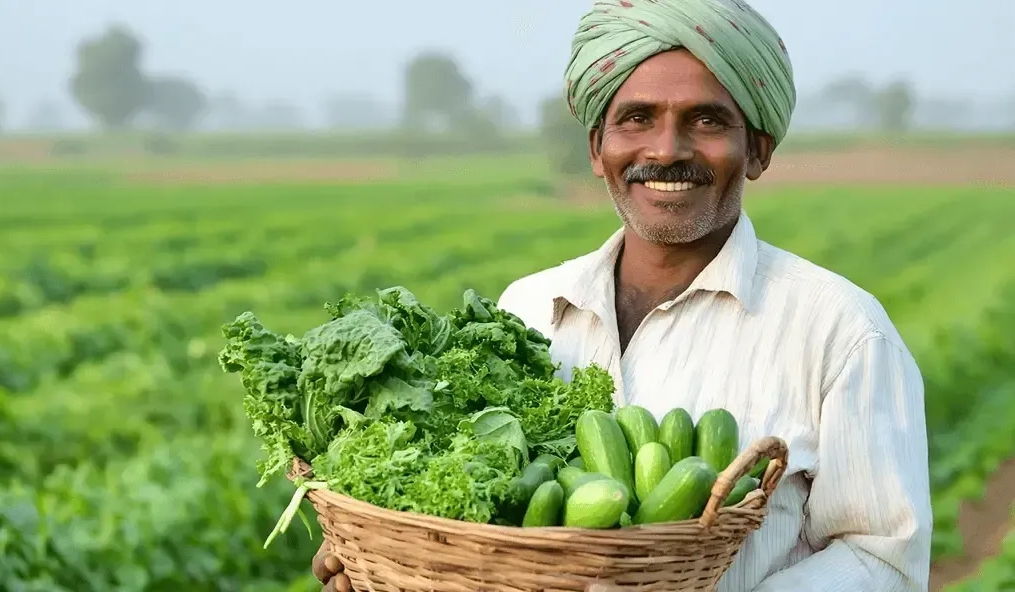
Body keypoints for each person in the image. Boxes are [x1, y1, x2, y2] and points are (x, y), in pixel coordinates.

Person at [312, 0, 933, 591]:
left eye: (707, 120)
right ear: (596, 149)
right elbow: (485, 525)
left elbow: (885, 563)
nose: (667, 150)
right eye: (636, 118)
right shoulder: (526, 310)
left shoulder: (840, 331)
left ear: (758, 151)